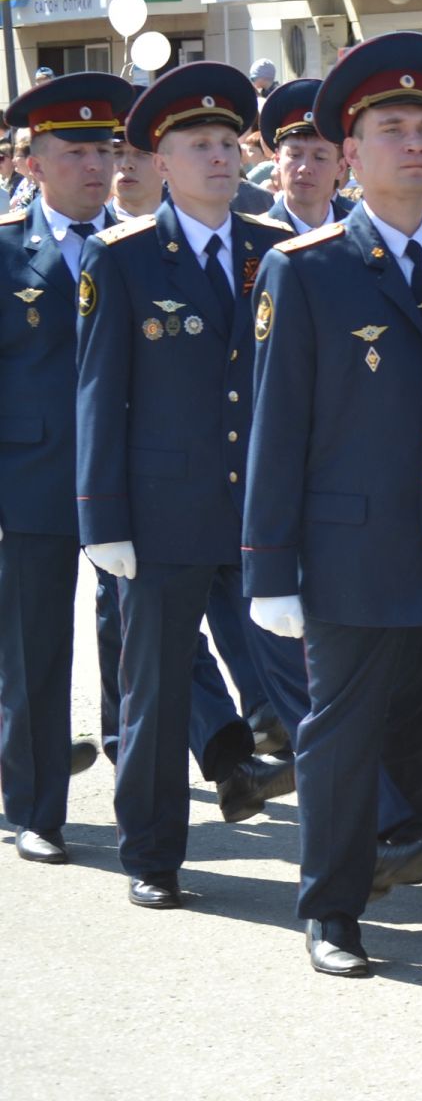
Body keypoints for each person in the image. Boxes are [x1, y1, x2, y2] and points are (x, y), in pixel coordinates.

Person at [245, 34, 422, 975]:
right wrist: (271, 565)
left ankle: (409, 843)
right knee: (341, 733)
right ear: (352, 153)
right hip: (353, 543)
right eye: (393, 129)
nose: (417, 145)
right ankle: (332, 908)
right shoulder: (306, 269)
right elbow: (277, 424)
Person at [74, 64, 298, 908]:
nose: (218, 157)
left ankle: (370, 835)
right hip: (164, 513)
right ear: (159, 162)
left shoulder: (274, 250)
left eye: (227, 143)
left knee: (307, 682)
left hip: (260, 508)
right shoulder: (122, 257)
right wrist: (103, 517)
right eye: (196, 145)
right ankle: (154, 852)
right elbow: (100, 390)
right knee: (158, 695)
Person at [0, 73, 135, 866]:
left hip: (130, 478)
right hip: (34, 479)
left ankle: (145, 807)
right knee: (35, 652)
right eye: (76, 150)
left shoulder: (142, 246)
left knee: (142, 648)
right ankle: (37, 808)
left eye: (105, 148)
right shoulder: (8, 247)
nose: (95, 165)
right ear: (34, 162)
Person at [260, 80, 353, 233]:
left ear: (341, 168)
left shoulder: (359, 237)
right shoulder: (255, 237)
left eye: (320, 157)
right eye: (294, 155)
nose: (305, 168)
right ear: (277, 160)